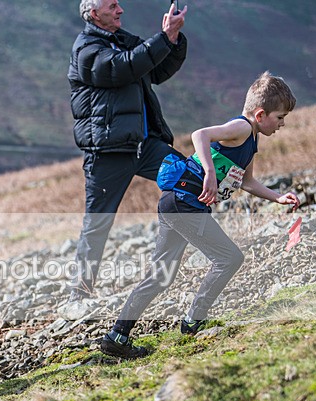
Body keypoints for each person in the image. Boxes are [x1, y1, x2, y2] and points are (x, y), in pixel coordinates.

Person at [100, 72, 299, 358]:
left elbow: (247, 181)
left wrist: (278, 196)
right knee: (230, 257)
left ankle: (117, 335)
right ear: (260, 113)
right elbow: (200, 135)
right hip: (183, 203)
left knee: (161, 275)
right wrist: (208, 172)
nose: (282, 124)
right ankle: (193, 321)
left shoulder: (251, 141)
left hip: (177, 204)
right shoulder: (241, 128)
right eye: (280, 117)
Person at [61, 0, 188, 319]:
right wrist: (161, 38)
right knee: (97, 223)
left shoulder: (123, 40)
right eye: (112, 6)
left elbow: (156, 70)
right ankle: (79, 293)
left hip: (146, 146)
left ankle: (167, 269)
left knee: (189, 179)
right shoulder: (87, 48)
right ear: (94, 14)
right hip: (107, 153)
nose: (120, 10)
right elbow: (122, 68)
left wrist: (172, 40)